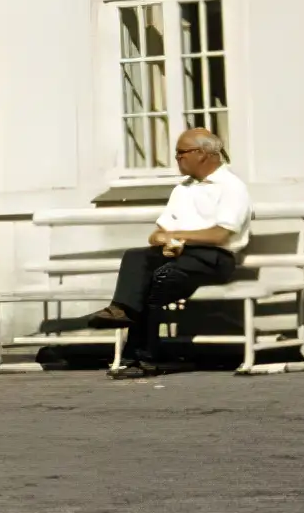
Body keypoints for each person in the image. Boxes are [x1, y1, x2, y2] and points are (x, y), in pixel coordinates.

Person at [76, 126, 248, 377]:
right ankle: (121, 312)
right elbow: (157, 233)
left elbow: (220, 234)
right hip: (182, 254)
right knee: (136, 257)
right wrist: (165, 240)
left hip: (215, 258)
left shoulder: (231, 187)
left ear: (202, 153)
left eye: (181, 153)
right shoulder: (183, 189)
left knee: (157, 280)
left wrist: (178, 237)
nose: (177, 158)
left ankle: (140, 356)